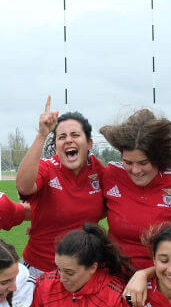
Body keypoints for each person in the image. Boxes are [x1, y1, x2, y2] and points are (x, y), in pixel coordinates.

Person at [15, 97, 107, 278]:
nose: (68, 141)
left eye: (75, 135)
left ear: (89, 143)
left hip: (82, 271)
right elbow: (24, 187)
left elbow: (113, 203)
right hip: (40, 269)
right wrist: (42, 134)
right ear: (56, 146)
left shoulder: (98, 170)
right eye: (61, 137)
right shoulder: (47, 168)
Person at [100, 109, 171, 270]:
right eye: (128, 162)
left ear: (158, 158)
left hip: (163, 279)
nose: (135, 170)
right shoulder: (112, 173)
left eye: (143, 163)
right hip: (115, 278)